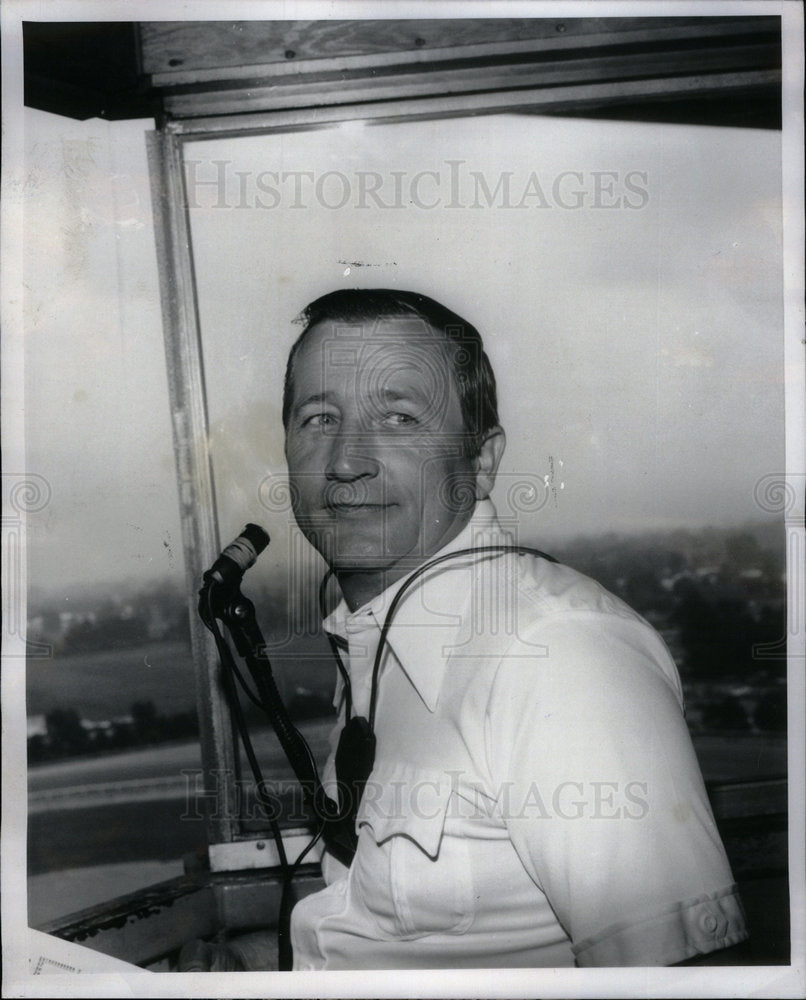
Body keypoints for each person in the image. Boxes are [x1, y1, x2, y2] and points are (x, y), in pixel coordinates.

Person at [279, 288, 749, 969]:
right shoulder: (378, 643)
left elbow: (686, 978)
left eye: (400, 418)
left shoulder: (557, 653)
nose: (348, 460)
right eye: (319, 418)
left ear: (482, 459)